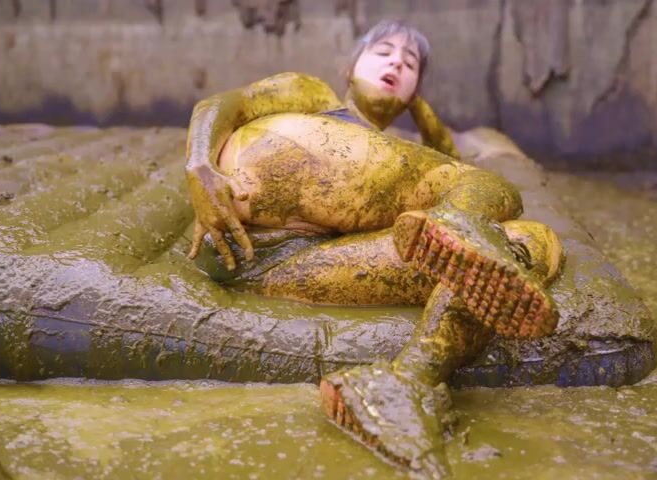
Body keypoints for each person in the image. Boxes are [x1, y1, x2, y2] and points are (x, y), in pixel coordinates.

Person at [185, 20, 564, 477]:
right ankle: (461, 222)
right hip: (250, 218)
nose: (396, 64)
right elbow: (225, 103)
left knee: (531, 242)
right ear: (349, 69)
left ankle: (405, 383)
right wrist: (199, 165)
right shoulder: (316, 95)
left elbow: (444, 150)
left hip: (293, 265)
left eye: (410, 65)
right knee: (487, 188)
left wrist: (413, 103)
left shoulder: (398, 163)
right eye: (384, 53)